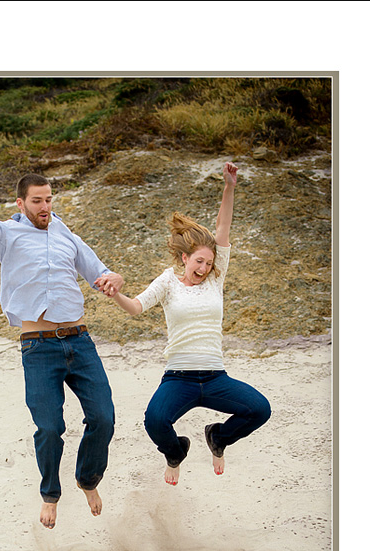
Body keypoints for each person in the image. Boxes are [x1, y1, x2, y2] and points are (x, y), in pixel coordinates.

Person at [0, 137, 123, 529]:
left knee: (104, 418)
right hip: (38, 347)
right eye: (37, 201)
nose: (45, 207)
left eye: (49, 199)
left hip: (79, 340)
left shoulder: (65, 234)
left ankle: (88, 479)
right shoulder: (5, 234)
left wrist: (112, 279)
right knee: (50, 427)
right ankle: (50, 494)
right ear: (20, 203)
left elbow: (100, 272)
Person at [99, 162, 271, 484]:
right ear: (184, 259)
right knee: (155, 420)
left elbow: (223, 228)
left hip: (216, 378)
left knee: (260, 409)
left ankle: (218, 437)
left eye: (208, 262)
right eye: (198, 261)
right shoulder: (168, 282)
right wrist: (116, 296)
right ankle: (176, 451)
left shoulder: (215, 280)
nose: (204, 268)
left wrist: (229, 187)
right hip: (179, 379)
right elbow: (136, 307)